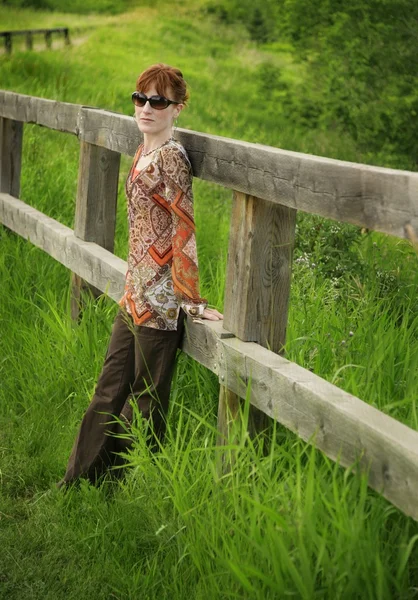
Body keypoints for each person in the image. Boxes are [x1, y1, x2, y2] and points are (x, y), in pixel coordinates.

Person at [58, 63, 223, 488]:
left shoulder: (171, 158)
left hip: (162, 300)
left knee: (146, 398)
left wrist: (192, 300)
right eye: (141, 98)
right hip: (134, 292)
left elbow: (184, 229)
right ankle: (80, 481)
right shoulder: (143, 151)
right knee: (110, 387)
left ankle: (143, 484)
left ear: (177, 108)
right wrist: (136, 285)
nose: (147, 107)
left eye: (158, 101)